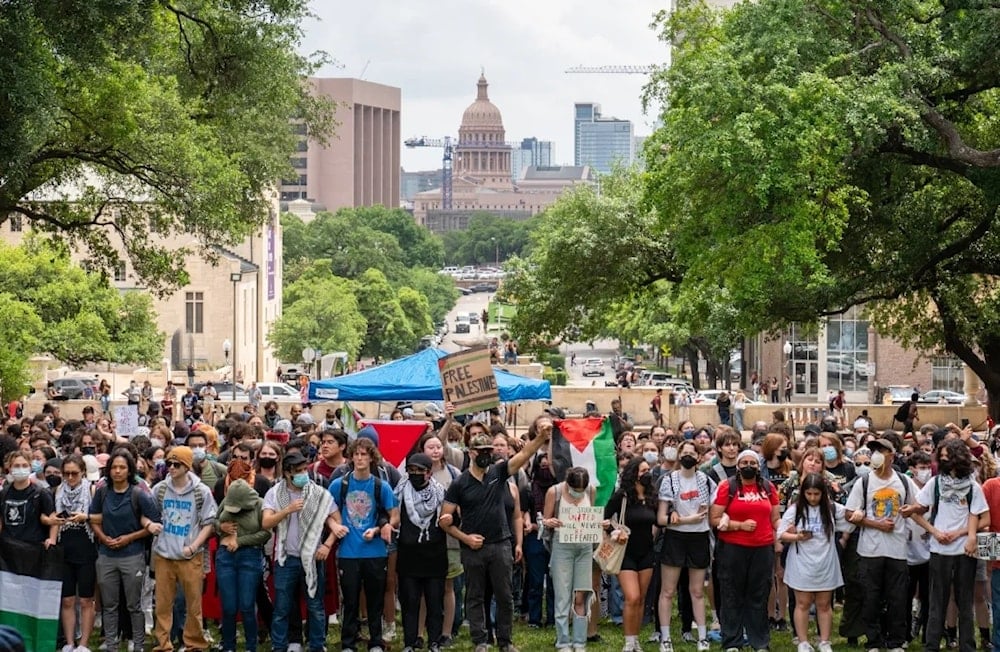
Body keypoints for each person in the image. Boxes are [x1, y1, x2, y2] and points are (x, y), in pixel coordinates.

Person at [439, 417, 552, 652]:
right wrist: (465, 538)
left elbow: (523, 456)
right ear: (471, 452)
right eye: (481, 450)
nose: (486, 454)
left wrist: (541, 437)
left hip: (500, 544)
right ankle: (480, 640)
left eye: (489, 450)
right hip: (473, 548)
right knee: (475, 596)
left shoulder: (499, 472)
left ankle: (505, 641)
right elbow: (444, 520)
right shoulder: (459, 483)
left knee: (505, 596)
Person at [904, 438, 987, 652]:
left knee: (964, 600)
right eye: (941, 458)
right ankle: (931, 645)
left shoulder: (972, 485)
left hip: (964, 550)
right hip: (939, 549)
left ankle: (967, 645)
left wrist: (966, 535)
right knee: (937, 599)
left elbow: (977, 515)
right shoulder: (936, 483)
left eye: (947, 457)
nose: (944, 461)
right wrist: (935, 532)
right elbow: (917, 510)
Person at [262, 449, 338, 652]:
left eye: (305, 469)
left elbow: (337, 522)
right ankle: (280, 645)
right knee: (282, 607)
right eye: (298, 470)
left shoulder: (319, 493)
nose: (304, 473)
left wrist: (327, 544)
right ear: (287, 473)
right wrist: (287, 510)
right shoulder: (275, 493)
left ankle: (317, 645)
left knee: (315, 606)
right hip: (286, 559)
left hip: (313, 558)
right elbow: (266, 522)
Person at [845, 437, 917, 652]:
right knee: (871, 596)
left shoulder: (903, 481)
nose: (876, 454)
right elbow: (850, 513)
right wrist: (875, 524)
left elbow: (917, 506)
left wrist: (910, 511)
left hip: (897, 550)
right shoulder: (864, 482)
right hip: (870, 550)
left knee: (898, 597)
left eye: (881, 450)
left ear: (891, 456)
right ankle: (873, 641)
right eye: (873, 450)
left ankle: (896, 640)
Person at [329, 437, 400, 652]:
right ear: (350, 457)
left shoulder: (381, 486)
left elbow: (395, 515)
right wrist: (334, 526)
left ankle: (376, 641)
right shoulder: (339, 484)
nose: (359, 458)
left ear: (372, 457)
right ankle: (348, 643)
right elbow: (328, 512)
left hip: (375, 551)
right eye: (356, 454)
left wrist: (381, 528)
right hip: (348, 552)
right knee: (350, 600)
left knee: (375, 599)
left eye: (364, 454)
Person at [147, 445, 218, 652]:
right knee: (162, 604)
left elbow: (209, 522)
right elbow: (148, 513)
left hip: (190, 555)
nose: (171, 467)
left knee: (193, 605)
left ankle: (194, 644)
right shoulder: (160, 489)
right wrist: (149, 525)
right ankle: (163, 644)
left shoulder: (200, 491)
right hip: (164, 555)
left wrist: (194, 546)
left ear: (187, 466)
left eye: (176, 464)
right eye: (168, 463)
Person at [89, 450, 161, 652]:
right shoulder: (103, 492)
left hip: (132, 555)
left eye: (122, 467)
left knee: (133, 605)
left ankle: (138, 645)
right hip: (106, 555)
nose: (118, 471)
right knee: (109, 605)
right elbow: (94, 519)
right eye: (114, 467)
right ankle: (111, 644)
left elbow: (154, 524)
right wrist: (104, 538)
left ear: (130, 470)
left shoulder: (139, 494)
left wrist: (129, 538)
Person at [709, 449, 780, 652]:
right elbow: (714, 519)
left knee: (759, 594)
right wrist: (738, 525)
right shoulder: (727, 487)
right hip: (732, 548)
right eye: (744, 462)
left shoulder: (768, 487)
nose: (749, 466)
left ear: (759, 466)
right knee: (732, 593)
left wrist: (787, 529)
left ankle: (760, 642)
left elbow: (775, 518)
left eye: (753, 463)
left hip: (762, 548)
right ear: (738, 466)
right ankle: (732, 641)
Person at [779, 473, 855, 652]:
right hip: (801, 562)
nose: (812, 498)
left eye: (816, 494)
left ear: (823, 493)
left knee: (824, 604)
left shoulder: (833, 509)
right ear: (803, 493)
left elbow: (851, 520)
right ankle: (803, 642)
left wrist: (858, 513)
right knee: (803, 603)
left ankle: (824, 641)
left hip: (825, 562)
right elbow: (781, 533)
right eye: (809, 494)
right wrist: (798, 536)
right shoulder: (795, 510)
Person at [656, 440, 716, 652]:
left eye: (693, 453)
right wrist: (685, 520)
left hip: (698, 538)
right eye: (685, 452)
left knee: (697, 591)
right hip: (675, 538)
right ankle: (665, 638)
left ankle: (702, 637)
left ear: (699, 458)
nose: (688, 456)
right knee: (668, 590)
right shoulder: (669, 480)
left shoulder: (707, 481)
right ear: (679, 455)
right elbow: (661, 518)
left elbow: (713, 511)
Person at [605, 457, 660, 652]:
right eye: (642, 470)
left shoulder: (653, 496)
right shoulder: (622, 496)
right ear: (633, 473)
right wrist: (615, 531)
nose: (647, 473)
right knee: (632, 597)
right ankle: (628, 643)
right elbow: (605, 517)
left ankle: (635, 639)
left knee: (641, 599)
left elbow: (659, 520)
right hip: (625, 552)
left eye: (648, 470)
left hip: (646, 552)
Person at [394, 453, 446, 652]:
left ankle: (434, 641)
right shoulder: (399, 492)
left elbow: (450, 518)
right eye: (411, 470)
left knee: (434, 602)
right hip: (408, 557)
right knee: (410, 603)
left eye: (419, 471)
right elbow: (389, 514)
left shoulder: (441, 493)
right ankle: (409, 642)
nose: (415, 474)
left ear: (429, 472)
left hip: (435, 556)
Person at [541, 467, 596, 652]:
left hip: (584, 547)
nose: (578, 493)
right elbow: (544, 520)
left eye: (581, 490)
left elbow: (591, 517)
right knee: (563, 596)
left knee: (582, 594)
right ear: (568, 483)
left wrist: (599, 524)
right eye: (575, 490)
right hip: (562, 545)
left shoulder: (591, 491)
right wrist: (548, 522)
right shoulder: (554, 492)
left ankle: (580, 642)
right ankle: (563, 641)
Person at [215, 478, 270, 652]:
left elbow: (266, 533)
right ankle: (228, 646)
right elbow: (214, 522)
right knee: (229, 606)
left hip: (250, 556)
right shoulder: (228, 499)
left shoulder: (261, 504)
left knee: (247, 605)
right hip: (225, 556)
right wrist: (221, 527)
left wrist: (241, 541)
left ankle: (250, 646)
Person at [55, 455, 98, 652]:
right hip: (64, 546)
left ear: (82, 472)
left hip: (86, 546)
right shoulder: (58, 490)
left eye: (74, 473)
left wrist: (86, 517)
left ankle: (84, 643)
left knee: (86, 599)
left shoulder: (91, 489)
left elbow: (99, 517)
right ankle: (70, 642)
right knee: (67, 599)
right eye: (66, 474)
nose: (70, 477)